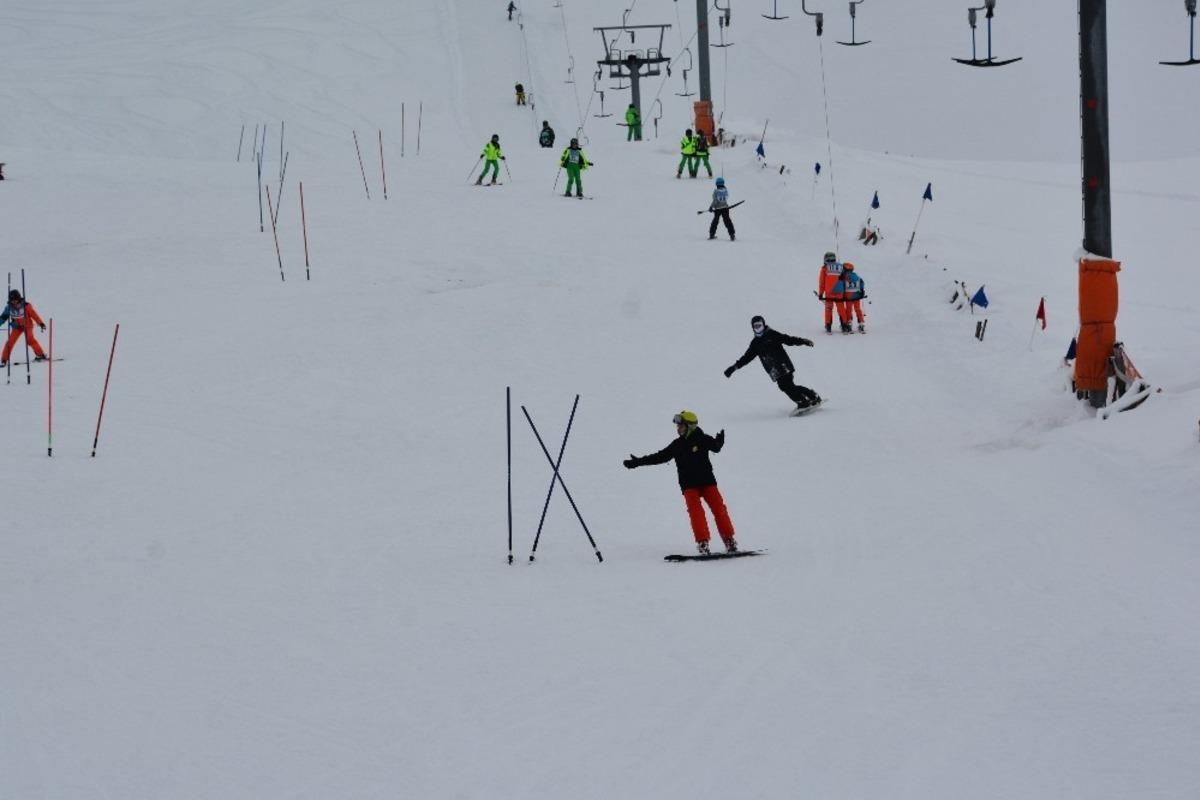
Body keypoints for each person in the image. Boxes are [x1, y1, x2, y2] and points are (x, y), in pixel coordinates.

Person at [623, 410, 738, 555]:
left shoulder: (703, 439)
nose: (678, 428)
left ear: (690, 426)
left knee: (719, 510)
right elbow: (660, 457)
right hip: (689, 486)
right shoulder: (677, 445)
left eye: (681, 425)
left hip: (708, 482)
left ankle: (729, 541)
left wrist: (719, 442)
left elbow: (716, 447)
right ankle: (703, 543)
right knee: (696, 514)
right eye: (678, 426)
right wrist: (638, 462)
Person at [724, 315, 822, 411]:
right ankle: (806, 399)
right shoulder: (755, 343)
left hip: (784, 365)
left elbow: (788, 340)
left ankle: (807, 398)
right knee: (785, 387)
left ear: (763, 324)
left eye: (759, 325)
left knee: (787, 386)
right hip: (774, 370)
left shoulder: (771, 334)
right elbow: (746, 358)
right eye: (755, 326)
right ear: (752, 328)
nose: (758, 328)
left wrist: (803, 341)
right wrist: (734, 368)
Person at [0, 289, 48, 367]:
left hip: (27, 325)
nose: (14, 302)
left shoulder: (26, 306)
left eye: (16, 300)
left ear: (19, 299)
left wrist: (40, 323)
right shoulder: (9, 308)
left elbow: (34, 315)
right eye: (12, 301)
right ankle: (4, 360)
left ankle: (41, 355)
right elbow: (3, 317)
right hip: (17, 327)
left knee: (30, 340)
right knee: (10, 342)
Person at [817, 250, 848, 334]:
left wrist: (820, 293)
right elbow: (845, 281)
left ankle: (828, 326)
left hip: (829, 293)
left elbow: (822, 282)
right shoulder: (841, 267)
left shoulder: (825, 268)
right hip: (839, 292)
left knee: (828, 309)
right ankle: (844, 326)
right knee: (841, 309)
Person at [836, 262, 867, 333]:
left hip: (848, 297)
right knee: (858, 309)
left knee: (849, 310)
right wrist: (862, 290)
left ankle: (849, 323)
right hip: (857, 296)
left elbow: (841, 287)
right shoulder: (857, 276)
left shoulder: (844, 277)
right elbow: (862, 283)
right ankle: (861, 323)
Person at [707, 176, 735, 241]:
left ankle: (712, 234)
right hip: (725, 208)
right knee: (727, 221)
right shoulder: (726, 190)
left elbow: (715, 201)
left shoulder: (716, 191)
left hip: (717, 209)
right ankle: (732, 234)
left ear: (716, 184)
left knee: (715, 221)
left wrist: (711, 207)